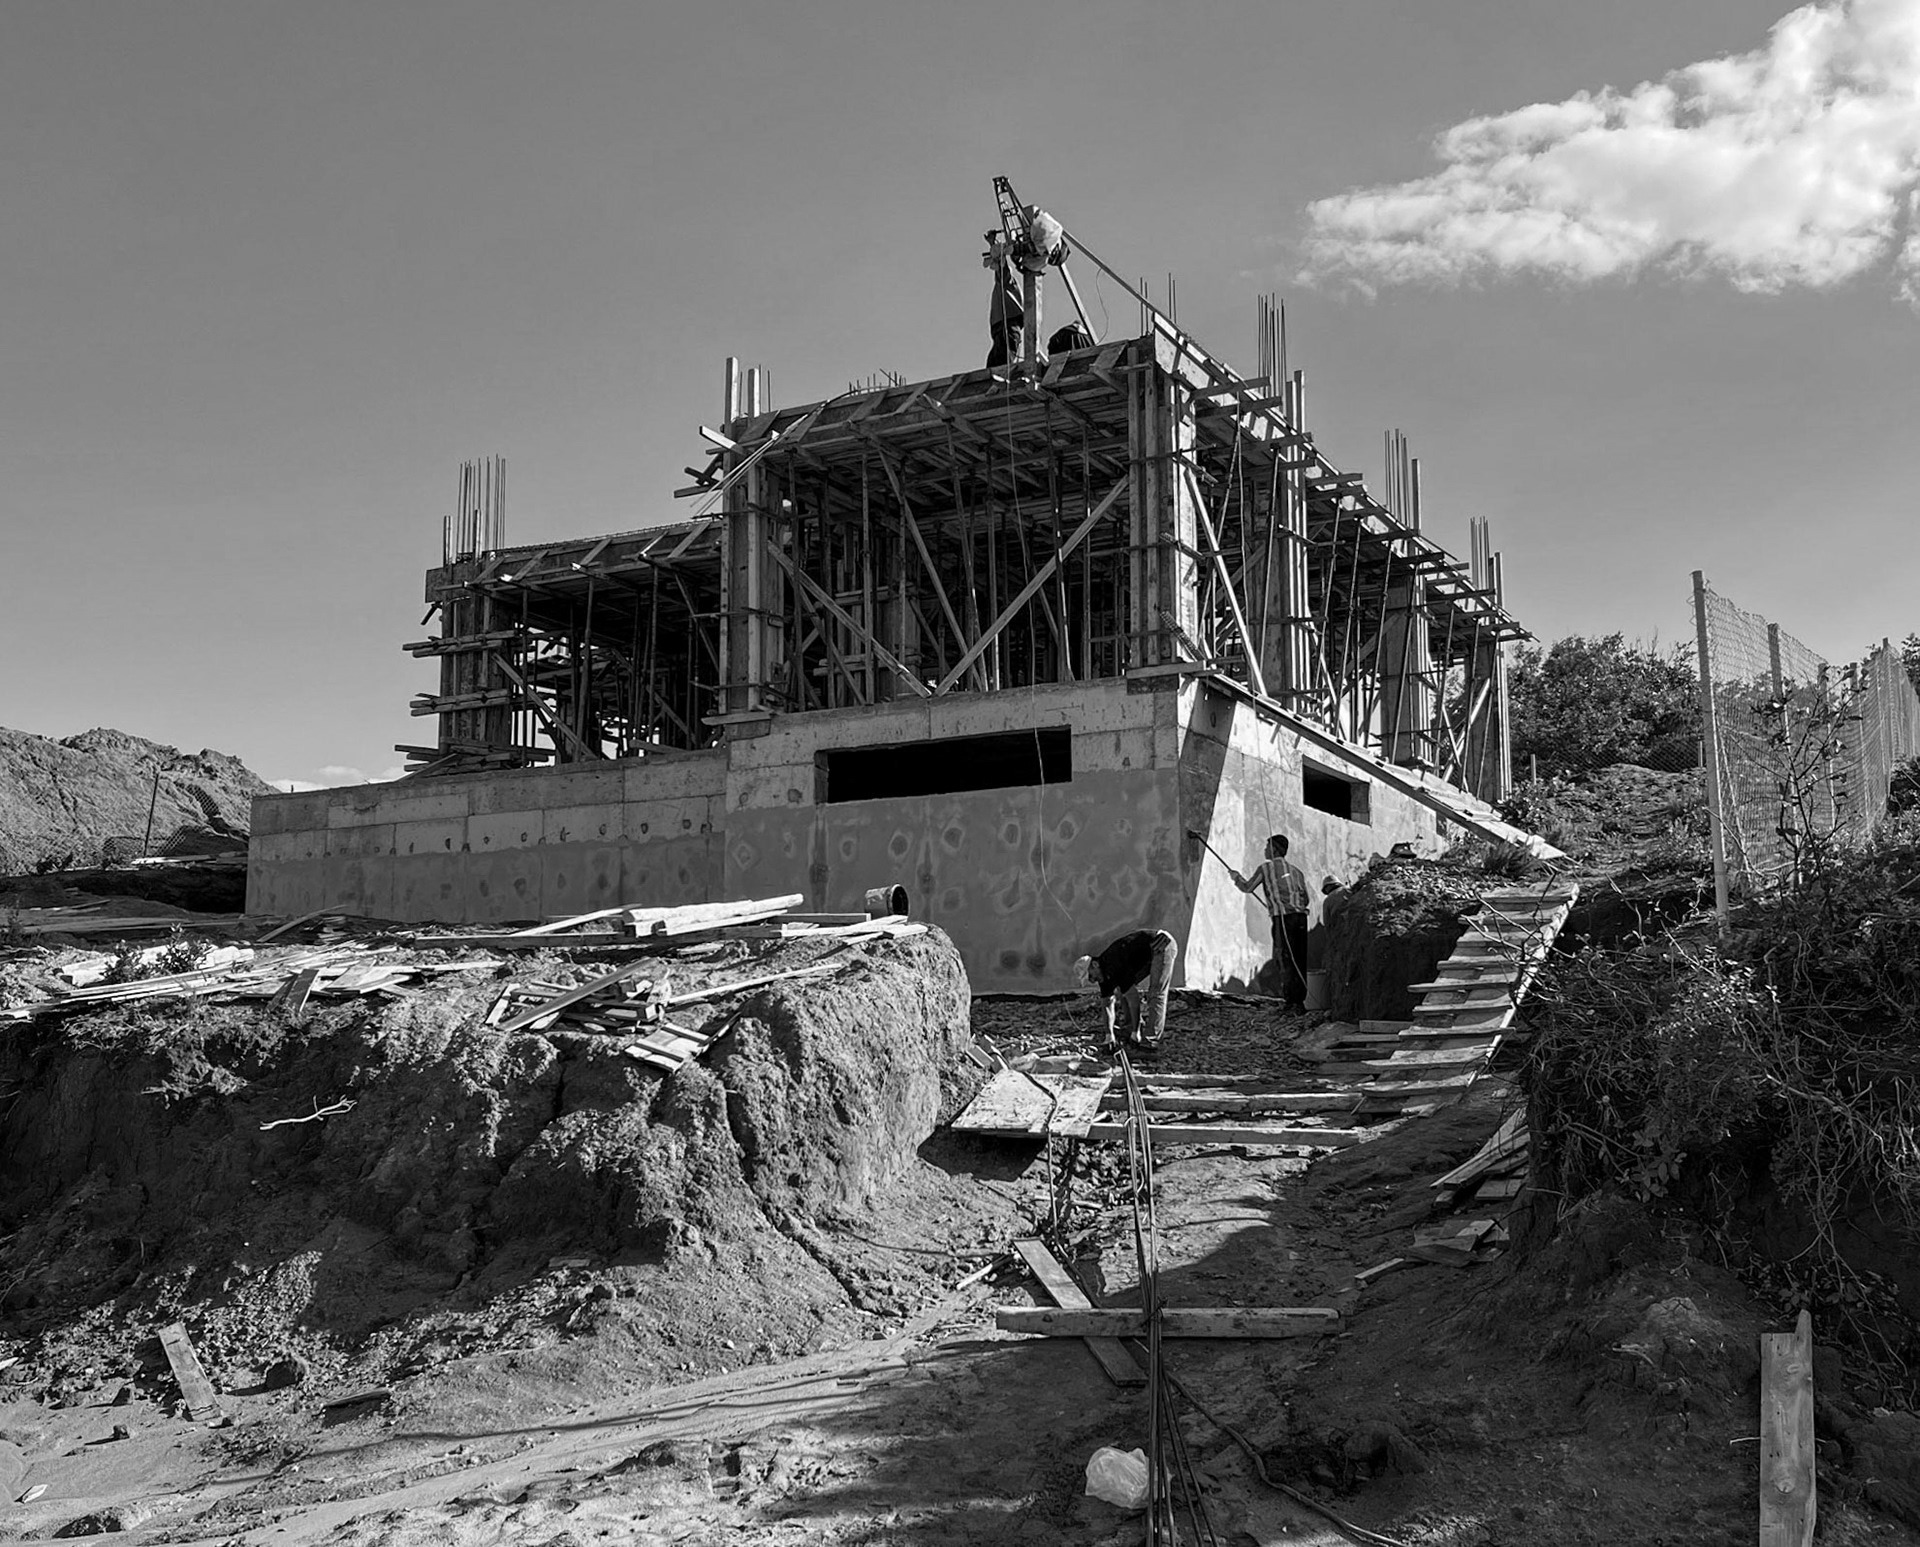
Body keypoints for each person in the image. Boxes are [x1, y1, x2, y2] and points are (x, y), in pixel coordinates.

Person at [1229, 834, 1312, 1010]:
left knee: (1285, 957)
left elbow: (1248, 888)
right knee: (1299, 957)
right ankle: (1300, 1001)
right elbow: (1306, 899)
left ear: (1275, 849)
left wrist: (1236, 877)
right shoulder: (1297, 871)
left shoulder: (1265, 869)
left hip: (1283, 919)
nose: (1265, 850)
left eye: (1267, 847)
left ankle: (1291, 1002)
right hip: (1301, 918)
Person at [1073, 928, 1176, 1054]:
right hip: (1146, 952)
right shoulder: (1103, 975)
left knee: (1156, 993)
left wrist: (1135, 1032)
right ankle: (1130, 1027)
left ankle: (1150, 1043)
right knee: (1122, 991)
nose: (1093, 981)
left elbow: (1134, 999)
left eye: (1091, 976)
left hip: (1161, 942)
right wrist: (1109, 1035)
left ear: (1094, 965)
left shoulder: (1114, 964)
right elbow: (1107, 1004)